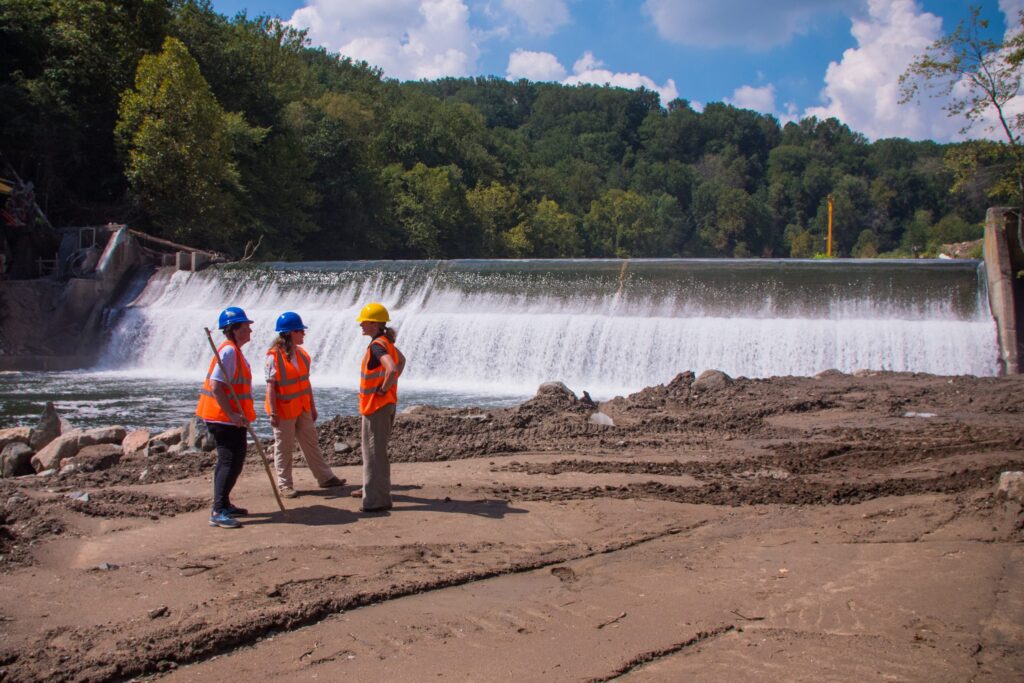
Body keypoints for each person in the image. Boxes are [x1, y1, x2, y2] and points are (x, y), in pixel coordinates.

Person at [264, 311, 345, 498]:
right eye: (300, 330)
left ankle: (325, 477)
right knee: (283, 448)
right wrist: (273, 413)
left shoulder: (302, 355)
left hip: (302, 407)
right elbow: (270, 387)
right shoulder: (273, 357)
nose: (304, 334)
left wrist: (312, 406)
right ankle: (285, 485)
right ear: (290, 332)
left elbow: (305, 383)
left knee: (311, 444)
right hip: (283, 410)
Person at [195, 306, 257, 529]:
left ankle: (225, 504)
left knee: (236, 460)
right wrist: (231, 414)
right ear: (234, 329)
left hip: (231, 417)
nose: (250, 330)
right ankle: (218, 510)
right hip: (223, 418)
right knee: (228, 461)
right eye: (246, 326)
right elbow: (217, 385)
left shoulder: (234, 351)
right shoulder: (229, 352)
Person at [355, 302, 406, 512]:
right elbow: (401, 361)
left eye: (364, 322)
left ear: (374, 324)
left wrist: (383, 390)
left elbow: (392, 369)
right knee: (378, 452)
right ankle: (375, 493)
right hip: (385, 405)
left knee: (373, 454)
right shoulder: (387, 342)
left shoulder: (377, 346)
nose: (361, 326)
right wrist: (388, 389)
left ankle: (376, 501)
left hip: (376, 406)